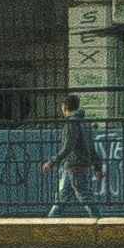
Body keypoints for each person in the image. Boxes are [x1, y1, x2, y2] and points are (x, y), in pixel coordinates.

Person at [43, 92, 104, 222]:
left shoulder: (71, 123)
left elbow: (67, 147)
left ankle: (101, 221)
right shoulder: (84, 122)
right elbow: (91, 146)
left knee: (84, 195)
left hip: (74, 164)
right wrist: (97, 167)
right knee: (63, 197)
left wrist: (51, 162)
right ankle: (50, 221)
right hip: (75, 165)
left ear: (65, 107)